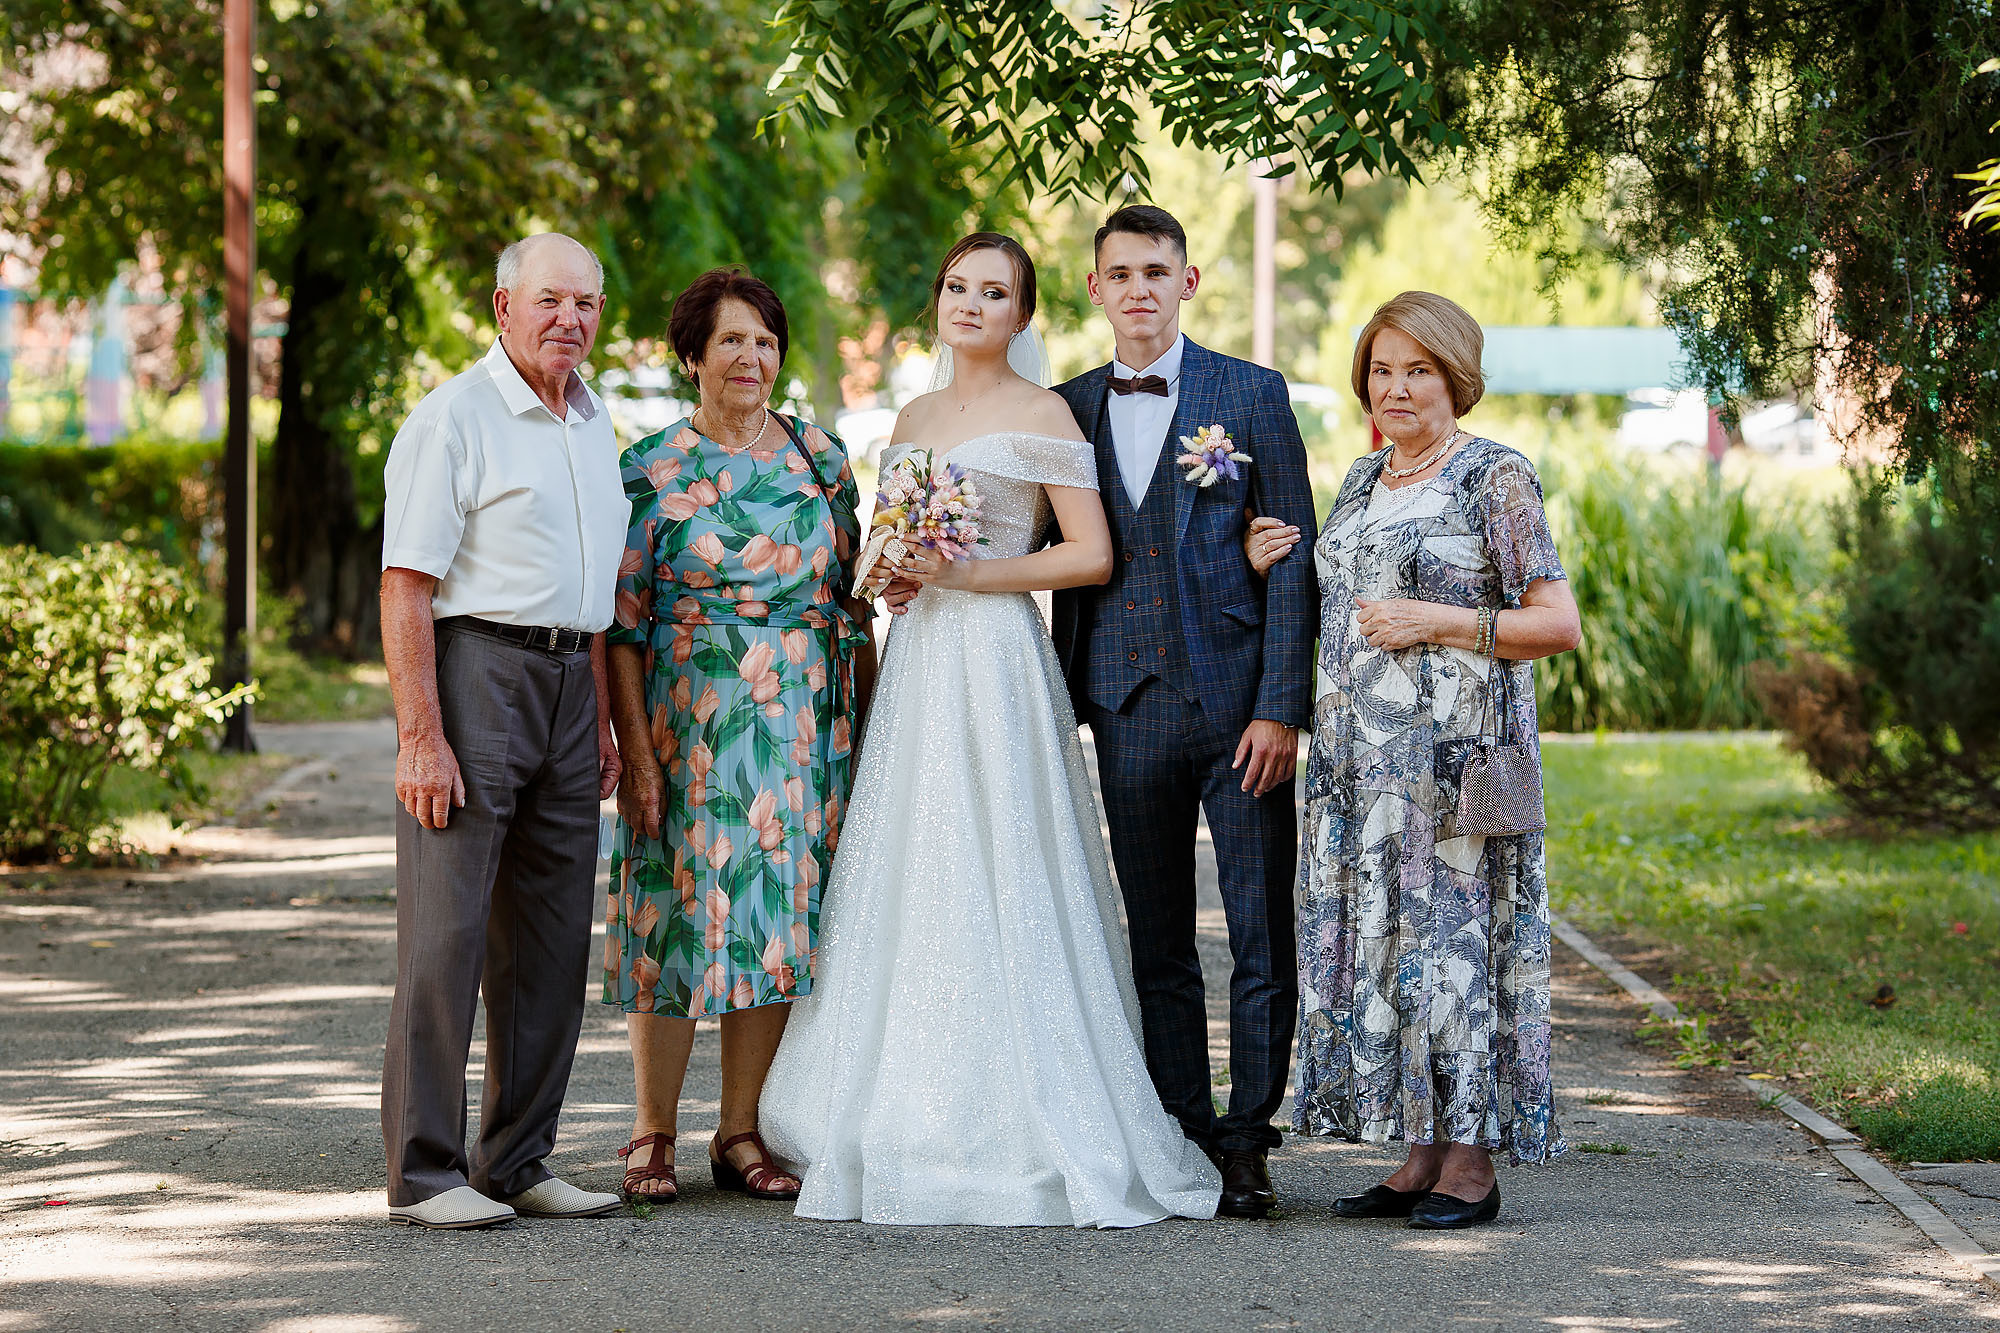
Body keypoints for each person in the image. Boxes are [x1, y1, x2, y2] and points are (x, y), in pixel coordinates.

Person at [759, 232, 1220, 1228]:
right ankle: (893, 1097)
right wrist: (891, 575)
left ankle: (1024, 1107)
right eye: (957, 286)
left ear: (1022, 314)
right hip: (921, 657)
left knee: (1003, 853)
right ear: (938, 300)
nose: (971, 304)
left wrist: (971, 574)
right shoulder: (913, 417)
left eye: (995, 292)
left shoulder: (1044, 412)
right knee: (914, 859)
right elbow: (891, 545)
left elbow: (1089, 555)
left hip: (999, 656)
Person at [1244, 291, 1581, 1229]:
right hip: (1359, 771)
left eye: (1418, 370)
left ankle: (1470, 1165)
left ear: (1456, 378)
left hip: (1454, 772)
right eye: (1382, 370)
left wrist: (1440, 620)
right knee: (1391, 947)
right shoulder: (1361, 480)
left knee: (1456, 949)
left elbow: (1557, 622)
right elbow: (1341, 597)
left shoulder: (1494, 477)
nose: (1396, 388)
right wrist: (1272, 557)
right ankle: (1419, 1152)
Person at [1047, 204, 1319, 1219]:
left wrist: (1279, 707)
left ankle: (1248, 1140)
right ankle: (1181, 1130)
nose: (1139, 290)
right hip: (1125, 707)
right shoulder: (1067, 407)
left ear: (1187, 281)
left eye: (1156, 271)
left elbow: (1292, 557)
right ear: (1095, 289)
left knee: (1258, 931)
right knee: (1156, 941)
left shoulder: (1249, 394)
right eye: (1119, 274)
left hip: (1239, 707)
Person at [601, 268, 872, 1205]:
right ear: (693, 356)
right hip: (687, 718)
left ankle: (740, 1129)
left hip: (803, 723)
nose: (750, 357)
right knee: (670, 912)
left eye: (764, 340)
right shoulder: (649, 467)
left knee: (776, 917)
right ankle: (652, 1128)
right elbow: (621, 628)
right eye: (730, 341)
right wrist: (638, 755)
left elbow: (856, 600)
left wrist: (869, 725)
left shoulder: (820, 457)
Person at [377, 233, 626, 1230]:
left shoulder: (594, 421)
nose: (570, 318)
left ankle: (517, 1159)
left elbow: (594, 586)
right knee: (445, 933)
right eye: (550, 299)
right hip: (478, 670)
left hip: (572, 683)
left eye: (587, 303)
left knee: (554, 937)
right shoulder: (453, 418)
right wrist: (420, 735)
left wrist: (599, 719)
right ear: (502, 306)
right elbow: (406, 585)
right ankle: (424, 1174)